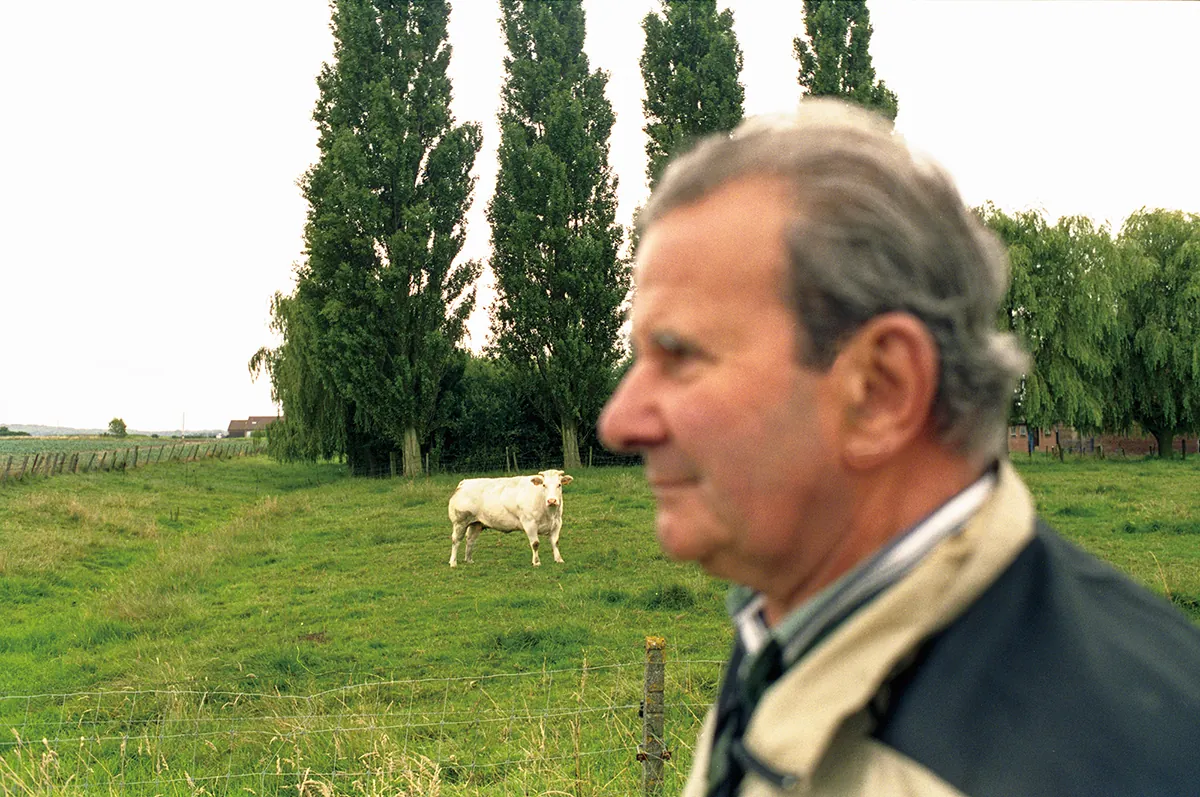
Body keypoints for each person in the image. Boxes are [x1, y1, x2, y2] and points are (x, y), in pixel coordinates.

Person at [597, 98, 1200, 797]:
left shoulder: (1109, 763)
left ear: (881, 390)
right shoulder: (798, 617)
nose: (621, 420)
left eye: (679, 354)